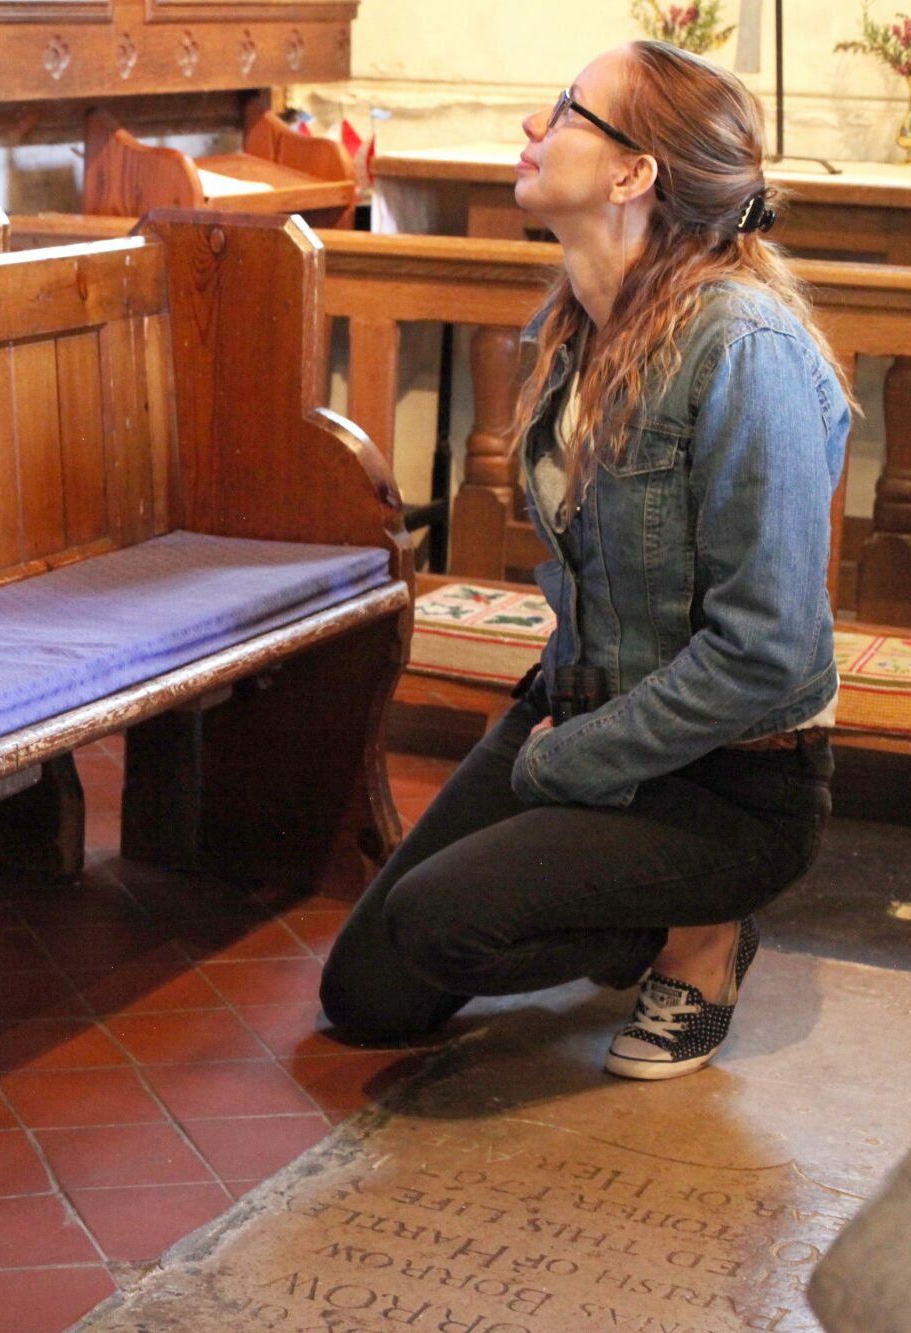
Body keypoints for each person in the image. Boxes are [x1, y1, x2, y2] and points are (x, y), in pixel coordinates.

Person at [319, 40, 850, 1080]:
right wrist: (560, 732)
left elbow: (768, 654)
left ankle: (699, 933)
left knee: (439, 920)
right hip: (581, 710)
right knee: (369, 995)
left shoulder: (742, 346)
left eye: (564, 110)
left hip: (731, 781)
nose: (531, 124)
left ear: (630, 173)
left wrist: (565, 760)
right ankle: (645, 910)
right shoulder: (575, 327)